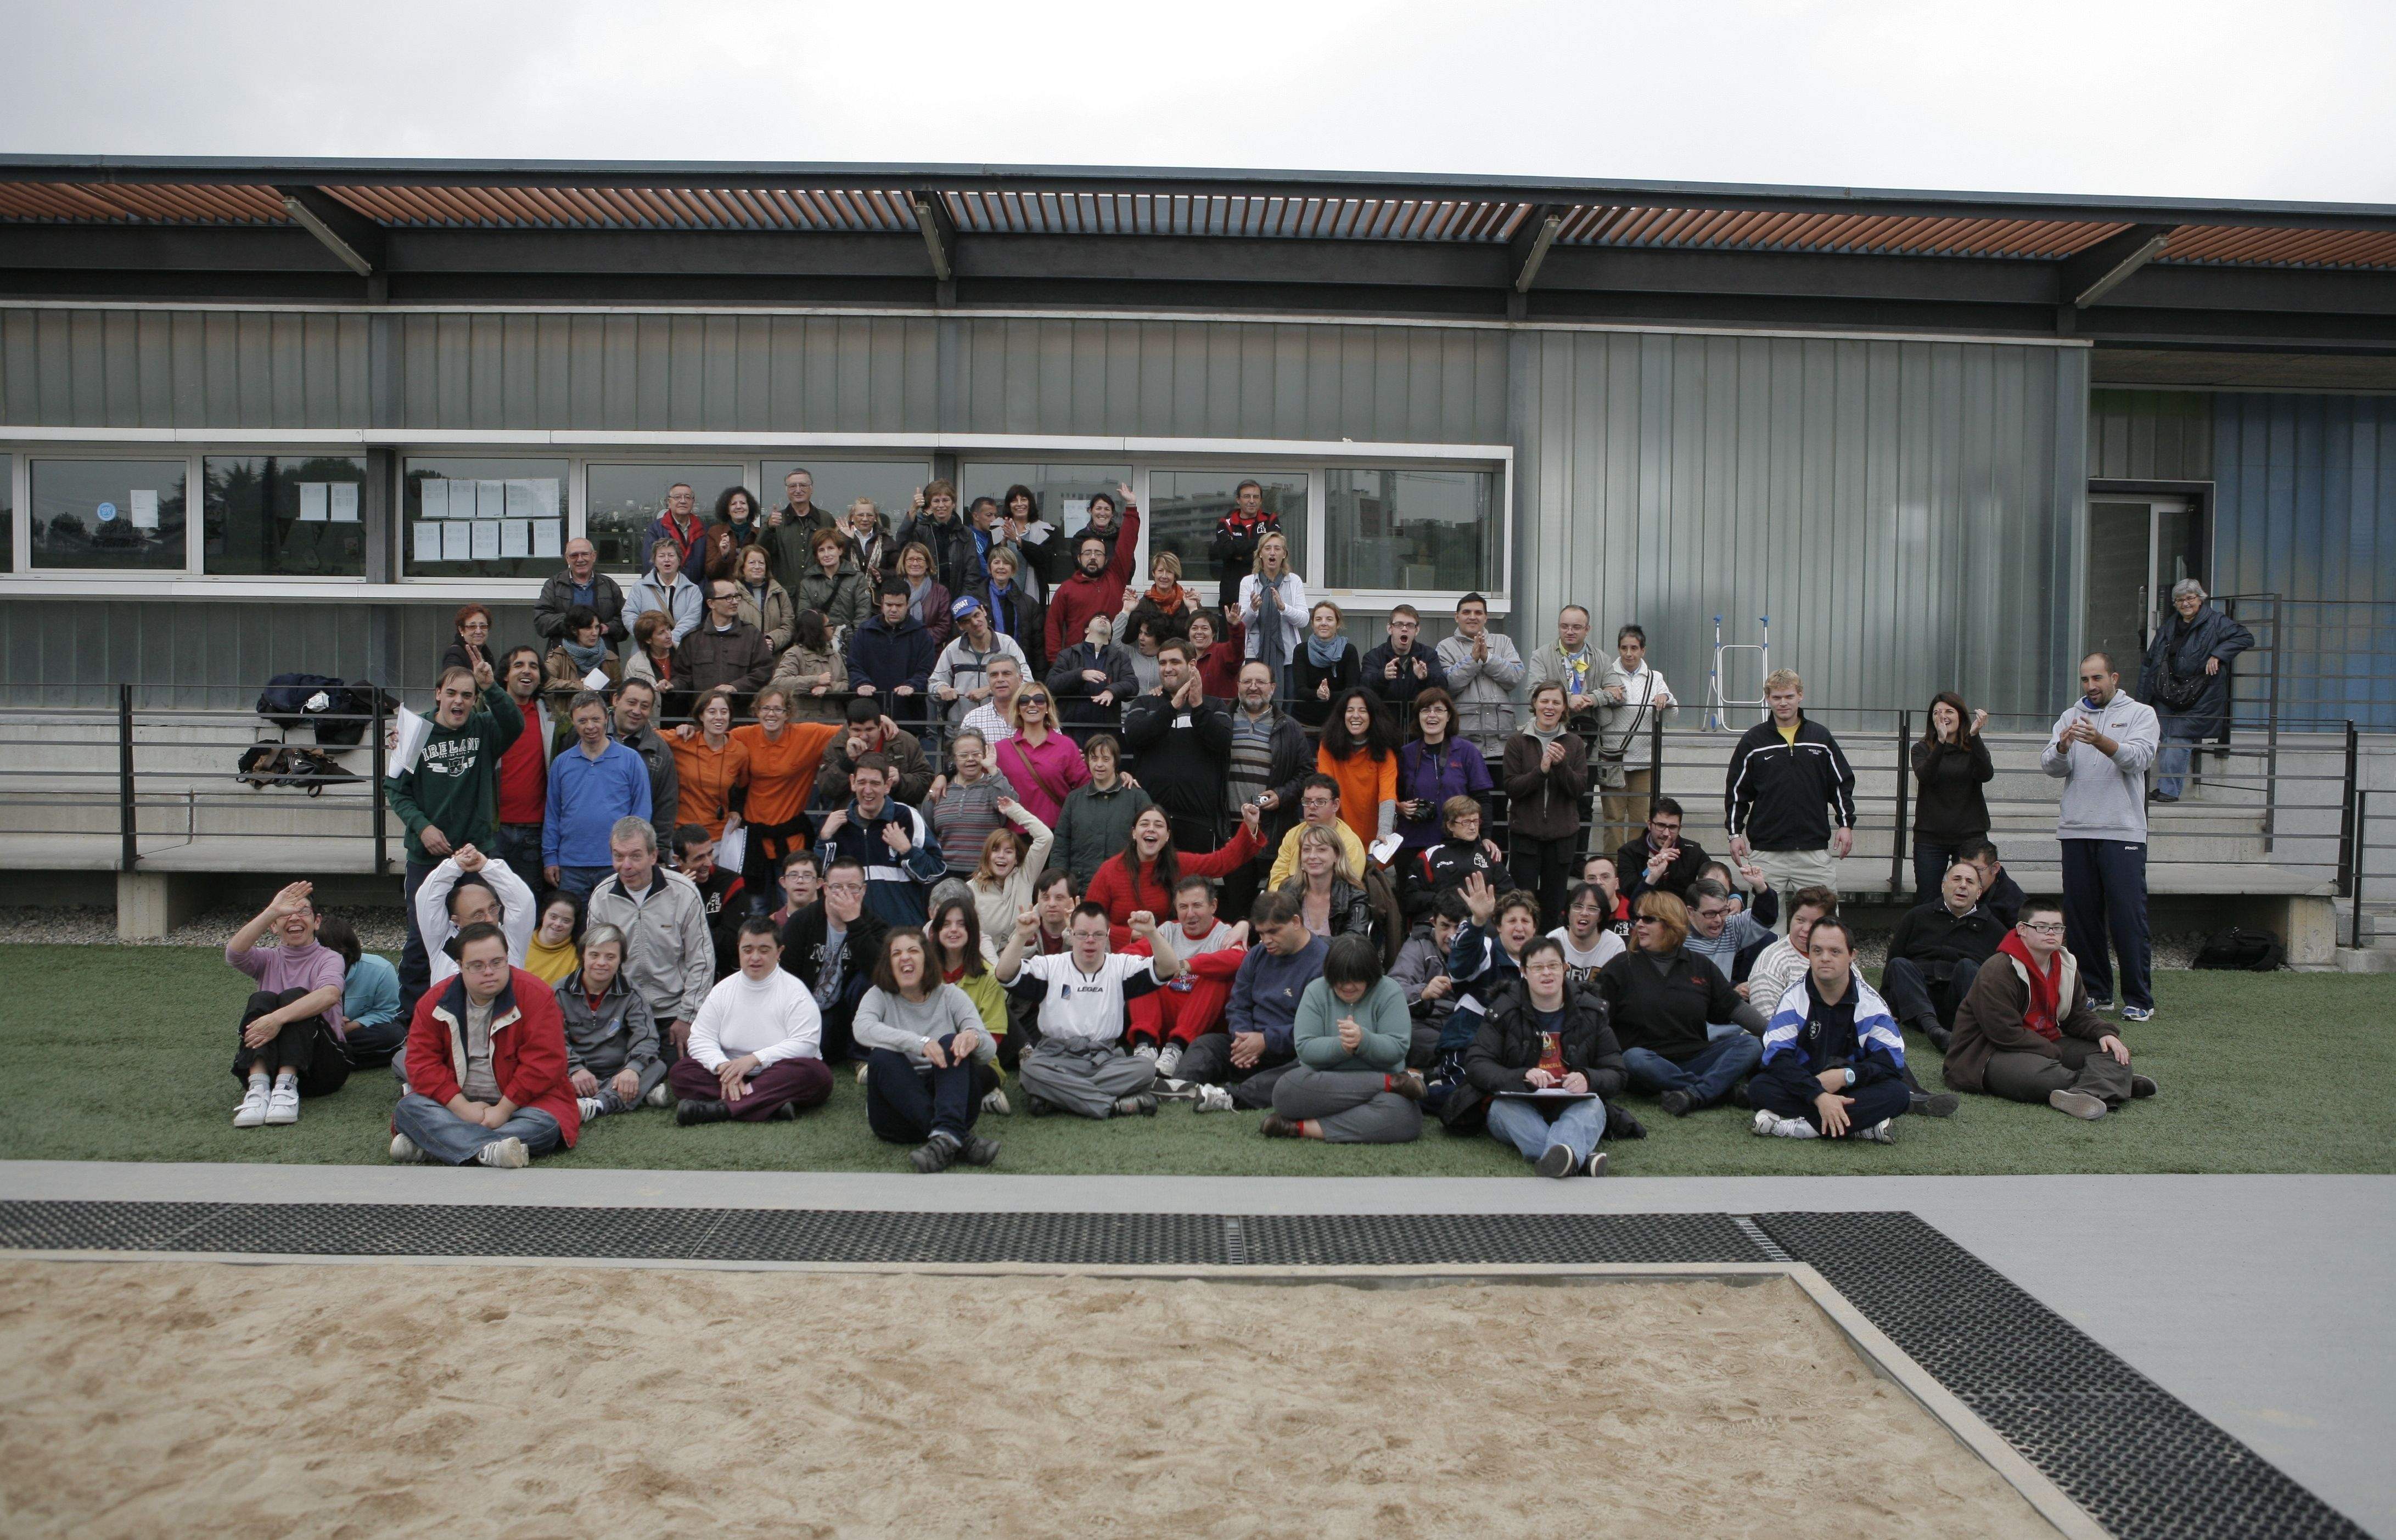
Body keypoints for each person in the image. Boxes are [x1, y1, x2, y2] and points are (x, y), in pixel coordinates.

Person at [388, 660, 524, 1016]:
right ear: (438, 695)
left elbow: (516, 723)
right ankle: (412, 1020)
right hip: (427, 856)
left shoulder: (483, 729)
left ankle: (488, 1008)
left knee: (484, 932)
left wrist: (492, 687)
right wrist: (423, 826)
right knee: (421, 940)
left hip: (476, 854)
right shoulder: (414, 732)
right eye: (451, 693)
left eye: (467, 695)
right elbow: (396, 790)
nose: (458, 701)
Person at [390, 922, 580, 1168]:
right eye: (477, 966)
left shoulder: (536, 994)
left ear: (507, 958)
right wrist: (464, 1110)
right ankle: (490, 1150)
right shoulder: (434, 1002)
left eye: (497, 962)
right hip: (457, 1105)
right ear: (460, 966)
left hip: (524, 1106)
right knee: (409, 1108)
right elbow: (421, 1063)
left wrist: (502, 1110)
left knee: (546, 1125)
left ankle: (436, 1144)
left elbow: (545, 1063)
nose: (489, 971)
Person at [1944, 900, 2156, 1119]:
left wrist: (2104, 1032)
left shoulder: (2066, 964)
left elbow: (2077, 1015)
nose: (2051, 933)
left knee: (2113, 1055)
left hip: (2047, 1042)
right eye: (2042, 927)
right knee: (2046, 1076)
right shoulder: (1998, 969)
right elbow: (2003, 1032)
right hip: (1988, 1052)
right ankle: (2114, 1084)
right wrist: (2052, 1053)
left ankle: (2088, 1091)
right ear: (2022, 930)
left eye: (2057, 928)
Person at [1444, 936, 1625, 1177]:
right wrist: (1522, 1077)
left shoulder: (1591, 1011)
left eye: (1553, 966)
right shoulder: (1503, 1010)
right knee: (1502, 1109)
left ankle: (1563, 1158)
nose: (1546, 973)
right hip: (1520, 1104)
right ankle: (1578, 1158)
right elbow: (1477, 1064)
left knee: (1593, 1108)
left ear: (1565, 968)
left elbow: (1617, 1071)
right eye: (1537, 968)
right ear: (1524, 972)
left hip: (1573, 1104)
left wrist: (1588, 1078)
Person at [2043, 652, 2161, 1020]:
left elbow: (2138, 759)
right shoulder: (2069, 716)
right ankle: (2096, 991)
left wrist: (2099, 741)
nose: (2090, 687)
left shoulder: (2141, 714)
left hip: (2121, 831)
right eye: (2084, 680)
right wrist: (2063, 746)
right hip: (2076, 829)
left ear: (2114, 677)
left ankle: (2139, 1000)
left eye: (2096, 679)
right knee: (2081, 917)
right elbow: (2049, 765)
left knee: (2127, 917)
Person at [996, 901, 1180, 1120]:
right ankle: (1113, 1106)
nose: (1090, 941)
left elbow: (1170, 968)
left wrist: (1151, 933)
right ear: (1071, 934)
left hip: (1104, 1060)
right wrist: (1020, 935)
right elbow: (1004, 974)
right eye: (1082, 934)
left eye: (1098, 935)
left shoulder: (1120, 966)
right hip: (1056, 1057)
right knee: (1030, 1071)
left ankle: (1057, 1097)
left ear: (1108, 935)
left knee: (1145, 1069)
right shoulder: (1050, 966)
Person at [1596, 891, 1765, 1117]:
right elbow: (1596, 1022)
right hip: (1647, 1065)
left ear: (1671, 924)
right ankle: (1721, 1092)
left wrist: (1779, 1035)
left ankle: (1695, 1094)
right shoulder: (1619, 967)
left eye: (1648, 919)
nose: (1639, 925)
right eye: (1638, 918)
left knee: (1750, 1045)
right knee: (1633, 1058)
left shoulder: (1699, 965)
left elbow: (1736, 1008)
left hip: (1696, 1058)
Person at [1748, 919, 1909, 1144]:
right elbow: (1776, 1058)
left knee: (1898, 1094)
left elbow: (1892, 1063)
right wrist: (1818, 1096)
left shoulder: (1872, 1005)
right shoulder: (1793, 1000)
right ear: (1809, 954)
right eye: (1818, 950)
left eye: (1835, 951)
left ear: (1852, 955)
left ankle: (1799, 1127)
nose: (1825, 958)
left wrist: (1846, 1076)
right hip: (1805, 1085)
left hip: (1851, 1087)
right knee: (1760, 1088)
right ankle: (1859, 1128)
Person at [855, 927, 1002, 1171]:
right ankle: (959, 1139)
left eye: (913, 951)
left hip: (950, 1101)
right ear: (888, 964)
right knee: (882, 1056)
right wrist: (919, 1043)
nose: (905, 958)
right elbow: (862, 1030)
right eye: (896, 953)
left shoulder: (951, 995)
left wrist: (972, 1038)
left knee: (951, 1042)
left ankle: (944, 1137)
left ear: (927, 959)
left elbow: (988, 1051)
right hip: (895, 1118)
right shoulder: (878, 995)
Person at [1725, 669, 1857, 931]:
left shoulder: (1821, 738)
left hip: (1813, 852)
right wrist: (1734, 833)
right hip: (1767, 853)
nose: (1783, 703)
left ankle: (1820, 973)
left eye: (1789, 696)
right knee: (1764, 927)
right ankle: (1765, 973)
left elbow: (1841, 783)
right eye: (1776, 697)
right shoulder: (1753, 741)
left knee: (1823, 924)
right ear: (1767, 699)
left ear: (1800, 696)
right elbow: (1737, 791)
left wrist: (1845, 824)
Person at [1262, 935, 1426, 1143]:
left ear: (1371, 976)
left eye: (1357, 979)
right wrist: (1342, 1046)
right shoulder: (1316, 991)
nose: (1348, 986)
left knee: (1404, 1116)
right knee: (1286, 1090)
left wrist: (1363, 1041)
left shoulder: (1390, 991)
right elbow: (1304, 1047)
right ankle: (1390, 1084)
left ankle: (1299, 1127)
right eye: (1340, 979)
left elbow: (1398, 1047)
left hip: (1376, 1085)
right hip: (1326, 1083)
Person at [670, 918, 833, 1126]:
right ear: (739, 949)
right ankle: (769, 1106)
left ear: (779, 951)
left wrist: (755, 1059)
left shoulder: (795, 992)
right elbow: (701, 1038)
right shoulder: (722, 990)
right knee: (681, 1073)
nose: (755, 957)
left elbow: (806, 1045)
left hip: (778, 1073)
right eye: (748, 950)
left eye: (764, 950)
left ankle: (720, 1109)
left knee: (817, 1075)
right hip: (727, 1074)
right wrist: (722, 1067)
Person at [1174, 891, 1319, 1111]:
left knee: (1309, 1066)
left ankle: (1233, 1097)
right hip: (1248, 1046)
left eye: (1273, 932)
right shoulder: (1257, 955)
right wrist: (1242, 1038)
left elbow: (1316, 1028)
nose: (1266, 941)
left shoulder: (1323, 962)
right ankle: (1178, 1087)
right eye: (1261, 934)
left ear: (1296, 922)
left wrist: (1265, 1041)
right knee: (1207, 1044)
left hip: (1292, 1052)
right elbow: (1238, 1004)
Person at [582, 817, 714, 1059]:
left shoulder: (684, 892)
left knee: (676, 1075)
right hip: (622, 1010)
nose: (626, 866)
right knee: (614, 1075)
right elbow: (594, 965)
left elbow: (702, 960)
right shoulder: (601, 897)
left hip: (674, 1012)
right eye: (618, 856)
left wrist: (687, 1016)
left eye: (635, 856)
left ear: (653, 856)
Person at [223, 881, 350, 1128]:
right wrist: (272, 910)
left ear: (317, 922)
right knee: (261, 999)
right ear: (273, 925)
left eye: (303, 912)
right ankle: (258, 1088)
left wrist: (277, 1019)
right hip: (269, 1064)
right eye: (285, 914)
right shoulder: (267, 959)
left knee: (294, 997)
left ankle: (286, 1087)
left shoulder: (329, 958)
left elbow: (329, 995)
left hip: (321, 1069)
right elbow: (235, 953)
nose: (294, 918)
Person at [1123, 874, 1251, 1079]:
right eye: (1183, 907)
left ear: (1213, 906)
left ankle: (1176, 1049)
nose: (1190, 914)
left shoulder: (1226, 934)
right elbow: (1130, 955)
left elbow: (1239, 960)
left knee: (1217, 975)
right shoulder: (1167, 931)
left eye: (1197, 905)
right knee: (1142, 970)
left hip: (1202, 1019)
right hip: (1164, 1015)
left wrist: (1187, 965)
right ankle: (1145, 1046)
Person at [2140, 578, 2254, 804]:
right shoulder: (2170, 626)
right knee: (2162, 734)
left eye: (2190, 598)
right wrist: (2143, 697)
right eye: (2180, 600)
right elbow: (2151, 660)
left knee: (2178, 737)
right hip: (2169, 690)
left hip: (2199, 693)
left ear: (2200, 599)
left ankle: (2170, 790)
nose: (2185, 604)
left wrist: (2218, 654)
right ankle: (2165, 786)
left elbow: (2244, 637)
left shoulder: (2216, 622)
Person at [1121, 637, 1235, 853]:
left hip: (1198, 821)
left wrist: (1198, 706)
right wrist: (1172, 707)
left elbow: (1222, 741)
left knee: (1193, 886)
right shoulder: (1144, 703)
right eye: (1162, 663)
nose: (1167, 668)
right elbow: (1134, 737)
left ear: (1192, 665)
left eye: (1175, 662)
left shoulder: (1214, 705)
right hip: (1151, 821)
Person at [728, 683, 842, 899]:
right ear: (757, 711)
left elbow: (846, 730)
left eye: (778, 709)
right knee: (756, 907)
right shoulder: (742, 736)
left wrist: (880, 719)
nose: (771, 714)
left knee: (792, 903)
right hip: (754, 839)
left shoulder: (807, 734)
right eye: (765, 708)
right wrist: (683, 730)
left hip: (792, 839)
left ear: (788, 713)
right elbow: (712, 740)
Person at [1882, 859, 2006, 1049]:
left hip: (1960, 1005)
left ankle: (1962, 1029)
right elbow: (1893, 960)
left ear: (1979, 893)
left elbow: (2000, 978)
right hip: (1917, 998)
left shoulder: (1994, 929)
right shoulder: (1917, 916)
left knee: (1969, 967)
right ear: (1943, 885)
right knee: (1900, 964)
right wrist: (1886, 1003)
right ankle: (1934, 1030)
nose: (1962, 886)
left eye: (1970, 882)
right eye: (1956, 879)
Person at [778, 855, 889, 1066]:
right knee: (811, 1052)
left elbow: (880, 972)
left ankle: (859, 1054)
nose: (845, 894)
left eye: (853, 888)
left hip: (842, 1009)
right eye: (837, 887)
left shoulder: (873, 924)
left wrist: (854, 922)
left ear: (864, 890)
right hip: (802, 1007)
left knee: (869, 980)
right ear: (825, 889)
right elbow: (785, 978)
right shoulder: (802, 922)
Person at [813, 753, 946, 927]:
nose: (868, 790)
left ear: (887, 785)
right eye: (862, 782)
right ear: (852, 782)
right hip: (854, 933)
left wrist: (907, 851)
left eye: (875, 783)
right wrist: (824, 840)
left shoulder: (906, 817)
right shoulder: (837, 825)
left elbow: (935, 872)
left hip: (901, 934)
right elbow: (820, 881)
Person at [543, 691, 653, 897]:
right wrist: (550, 857)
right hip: (571, 865)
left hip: (617, 863)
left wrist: (634, 856)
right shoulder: (561, 764)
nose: (590, 726)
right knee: (575, 927)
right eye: (582, 720)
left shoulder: (631, 760)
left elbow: (641, 812)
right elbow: (552, 813)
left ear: (607, 718)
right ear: (573, 722)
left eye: (596, 719)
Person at [1087, 802, 1264, 926]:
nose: (1151, 829)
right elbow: (1089, 922)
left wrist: (1249, 825)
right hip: (1119, 958)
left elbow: (1221, 862)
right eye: (1144, 824)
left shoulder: (1178, 863)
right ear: (1134, 833)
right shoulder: (1109, 871)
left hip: (1165, 959)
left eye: (1159, 825)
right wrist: (1129, 936)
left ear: (1167, 836)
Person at [558, 923, 669, 1120]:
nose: (602, 963)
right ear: (582, 955)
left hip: (618, 1070)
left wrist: (632, 1069)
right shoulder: (560, 992)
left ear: (621, 960)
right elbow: (553, 1041)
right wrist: (575, 1069)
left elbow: (647, 1038)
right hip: (574, 1073)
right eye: (594, 955)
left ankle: (597, 1104)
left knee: (657, 1066)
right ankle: (632, 1094)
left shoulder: (631, 993)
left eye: (610, 957)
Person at [1503, 682, 1590, 924]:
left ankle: (1551, 956)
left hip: (1562, 837)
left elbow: (1579, 790)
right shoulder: (1517, 742)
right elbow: (1511, 788)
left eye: (1556, 702)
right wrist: (1539, 772)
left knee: (1554, 905)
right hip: (1525, 835)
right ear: (1534, 704)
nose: (1549, 707)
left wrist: (1561, 766)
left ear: (1564, 708)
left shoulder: (1574, 744)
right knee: (1522, 904)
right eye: (1544, 701)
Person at [1595, 623, 1676, 853]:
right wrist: (1607, 697)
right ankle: (1613, 866)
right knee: (1613, 818)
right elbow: (1599, 715)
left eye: (1634, 648)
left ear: (1643, 650)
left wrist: (1665, 698)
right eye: (1624, 648)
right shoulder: (1607, 674)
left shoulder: (1655, 678)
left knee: (1641, 818)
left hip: (1643, 759)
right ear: (1618, 649)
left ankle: (1635, 863)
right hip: (1612, 758)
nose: (1628, 654)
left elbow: (1674, 712)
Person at [414, 845, 536, 996]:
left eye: (493, 909)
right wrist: (454, 865)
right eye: (478, 915)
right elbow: (427, 899)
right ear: (456, 921)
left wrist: (486, 866)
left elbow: (523, 902)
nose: (490, 919)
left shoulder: (511, 939)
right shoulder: (442, 941)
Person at [1225, 657, 1314, 864]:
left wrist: (1281, 795)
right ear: (1238, 686)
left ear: (1272, 688)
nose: (1253, 687)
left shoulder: (1289, 727)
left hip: (1273, 829)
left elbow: (1307, 775)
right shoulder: (1222, 721)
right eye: (1247, 682)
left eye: (1260, 682)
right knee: (1237, 896)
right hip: (1232, 831)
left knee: (1275, 896)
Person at [1911, 691, 1995, 901]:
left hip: (1970, 835)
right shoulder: (1921, 749)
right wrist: (1940, 742)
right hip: (1930, 837)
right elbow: (1926, 776)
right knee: (1927, 897)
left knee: (1972, 895)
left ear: (1961, 716)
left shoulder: (1972, 747)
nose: (1943, 716)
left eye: (1949, 711)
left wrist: (1975, 737)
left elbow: (1986, 774)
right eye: (1937, 712)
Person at [1393, 686, 1493, 855]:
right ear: (1418, 717)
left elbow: (1483, 799)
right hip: (1413, 843)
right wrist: (1399, 807)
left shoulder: (1467, 752)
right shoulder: (1406, 754)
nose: (1432, 715)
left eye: (1439, 710)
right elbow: (1393, 795)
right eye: (1426, 710)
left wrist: (1486, 836)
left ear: (1449, 717)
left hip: (1457, 844)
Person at [1051, 734, 1155, 887]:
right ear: (1087, 761)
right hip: (1083, 886)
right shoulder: (1074, 799)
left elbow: (1152, 839)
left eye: (1106, 759)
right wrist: (1059, 882)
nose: (1099, 765)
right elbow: (1061, 845)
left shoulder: (1137, 797)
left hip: (1126, 885)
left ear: (1115, 762)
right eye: (1094, 759)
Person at [491, 644, 554, 896]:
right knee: (489, 908)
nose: (527, 671)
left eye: (534, 666)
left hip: (534, 832)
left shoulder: (551, 718)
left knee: (527, 909)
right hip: (494, 830)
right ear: (506, 674)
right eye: (519, 665)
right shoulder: (486, 713)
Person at [1435, 593, 1525, 758]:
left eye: (1478, 613)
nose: (1472, 617)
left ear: (1486, 617)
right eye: (1466, 612)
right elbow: (1448, 685)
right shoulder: (1445, 647)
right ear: (1457, 617)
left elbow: (1515, 676)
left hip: (1502, 743)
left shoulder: (1503, 642)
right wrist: (1473, 660)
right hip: (1465, 743)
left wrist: (1488, 659)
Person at [990, 683, 1088, 827]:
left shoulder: (1066, 746)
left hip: (1055, 833)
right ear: (1018, 709)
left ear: (1048, 707)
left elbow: (1086, 787)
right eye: (1024, 701)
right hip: (1015, 837)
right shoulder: (1000, 749)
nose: (1031, 704)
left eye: (1039, 700)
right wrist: (944, 776)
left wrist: (1121, 777)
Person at [1391, 889, 1469, 1067]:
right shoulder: (1418, 946)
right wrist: (1423, 993)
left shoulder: (1480, 947)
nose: (1452, 935)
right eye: (1445, 926)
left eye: (1459, 927)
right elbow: (1393, 989)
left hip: (1464, 1024)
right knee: (1403, 1035)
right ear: (1433, 922)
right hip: (1425, 1023)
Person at [1045, 524, 1140, 668]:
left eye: (1098, 553)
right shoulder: (1066, 589)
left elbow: (1127, 544)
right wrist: (1056, 662)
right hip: (1077, 663)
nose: (1093, 557)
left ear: (1106, 559)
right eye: (1088, 553)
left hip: (1112, 661)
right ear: (1079, 558)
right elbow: (1053, 626)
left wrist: (1131, 506)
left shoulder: (1116, 579)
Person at [664, 689, 751, 845]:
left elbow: (742, 787)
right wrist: (681, 728)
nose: (719, 717)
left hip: (719, 837)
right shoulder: (683, 740)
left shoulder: (740, 752)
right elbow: (648, 734)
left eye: (724, 712)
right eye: (712, 712)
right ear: (701, 716)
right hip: (682, 835)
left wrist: (736, 810)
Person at [813, 698, 935, 810]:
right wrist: (847, 761)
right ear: (848, 729)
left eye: (869, 730)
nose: (864, 736)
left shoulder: (906, 742)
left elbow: (926, 786)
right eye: (856, 730)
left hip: (896, 819)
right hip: (851, 821)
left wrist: (901, 781)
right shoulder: (837, 745)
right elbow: (827, 790)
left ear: (880, 726)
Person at [1316, 686, 1398, 852]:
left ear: (1373, 716)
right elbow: (1325, 791)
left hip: (1375, 841)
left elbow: (1388, 796)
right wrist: (1327, 833)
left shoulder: (1385, 751)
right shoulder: (1328, 747)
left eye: (1363, 711)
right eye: (1350, 710)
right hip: (1338, 838)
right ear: (1342, 715)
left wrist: (1384, 833)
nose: (1355, 716)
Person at [923, 728, 1017, 873]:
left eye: (976, 754)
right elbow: (927, 830)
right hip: (946, 875)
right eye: (963, 755)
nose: (971, 759)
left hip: (986, 875)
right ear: (954, 759)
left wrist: (992, 769)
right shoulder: (939, 789)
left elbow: (1012, 807)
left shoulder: (994, 785)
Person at [318, 914, 404, 1070]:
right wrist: (330, 1023)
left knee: (395, 1035)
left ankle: (329, 1060)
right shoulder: (304, 969)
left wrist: (350, 1026)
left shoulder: (381, 969)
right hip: (317, 1030)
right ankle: (340, 1060)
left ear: (345, 951)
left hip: (355, 1033)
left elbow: (386, 1012)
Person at [848, 580, 937, 727]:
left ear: (908, 604)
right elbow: (854, 666)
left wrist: (913, 685)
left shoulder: (921, 634)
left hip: (908, 716)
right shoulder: (865, 631)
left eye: (899, 605)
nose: (894, 610)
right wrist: (861, 682)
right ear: (882, 604)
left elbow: (926, 670)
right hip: (870, 717)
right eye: (889, 605)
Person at [932, 596, 1028, 732]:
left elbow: (1027, 683)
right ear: (960, 626)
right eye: (967, 621)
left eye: (976, 615)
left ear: (984, 611)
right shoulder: (952, 649)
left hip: (1003, 727)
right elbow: (934, 683)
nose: (975, 623)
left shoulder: (1007, 644)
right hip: (960, 729)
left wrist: (989, 690)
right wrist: (941, 689)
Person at [1740, 885, 1839, 1016]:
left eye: (1815, 923)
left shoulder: (1839, 956)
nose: (1805, 929)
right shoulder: (1772, 961)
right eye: (1800, 920)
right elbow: (1768, 1021)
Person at [1402, 794, 1503, 921]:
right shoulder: (1429, 856)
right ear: (1450, 825)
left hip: (1483, 921)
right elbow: (1412, 898)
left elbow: (1508, 894)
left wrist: (1484, 902)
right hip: (1442, 920)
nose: (1472, 827)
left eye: (1476, 821)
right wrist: (1447, 900)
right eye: (1466, 822)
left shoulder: (1489, 853)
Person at [1265, 773, 1369, 889]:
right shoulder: (1293, 834)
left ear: (1335, 805)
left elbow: (1346, 889)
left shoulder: (1350, 843)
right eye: (1307, 801)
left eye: (1320, 801)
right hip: (1289, 902)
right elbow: (1277, 876)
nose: (1312, 807)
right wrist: (1285, 903)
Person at [1048, 612, 1138, 744]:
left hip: (1107, 733)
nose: (1104, 619)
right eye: (1098, 618)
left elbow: (1132, 684)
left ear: (1110, 635)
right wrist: (1081, 675)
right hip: (1071, 731)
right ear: (1087, 630)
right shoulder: (1068, 655)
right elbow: (1051, 684)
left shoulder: (1121, 658)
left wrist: (1112, 691)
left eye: (1107, 619)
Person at [1236, 531, 1307, 695]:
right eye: (1268, 548)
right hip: (1255, 653)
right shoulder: (1248, 582)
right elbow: (1242, 624)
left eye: (1277, 548)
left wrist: (1283, 608)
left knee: (1286, 702)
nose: (1273, 553)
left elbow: (1303, 620)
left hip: (1287, 655)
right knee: (1255, 699)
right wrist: (1253, 609)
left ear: (1284, 554)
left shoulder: (1293, 581)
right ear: (1260, 554)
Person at [1278, 823, 1373, 942]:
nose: (1312, 856)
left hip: (1337, 960)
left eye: (1321, 850)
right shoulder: (1287, 889)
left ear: (1337, 856)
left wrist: (1305, 943)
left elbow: (1355, 940)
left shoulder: (1355, 895)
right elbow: (1275, 931)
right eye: (1307, 850)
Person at [674, 824, 747, 976]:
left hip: (718, 970)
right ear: (679, 860)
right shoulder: (668, 885)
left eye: (710, 854)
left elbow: (732, 940)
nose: (708, 863)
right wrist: (682, 894)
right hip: (674, 971)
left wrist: (686, 935)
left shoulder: (731, 882)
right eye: (699, 858)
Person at [610, 678, 679, 840]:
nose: (637, 711)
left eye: (644, 706)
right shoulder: (587, 736)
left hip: (634, 846)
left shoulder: (660, 751)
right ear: (616, 700)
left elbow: (666, 805)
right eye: (632, 703)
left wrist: (660, 850)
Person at [896, 480, 986, 599]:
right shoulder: (922, 529)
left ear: (954, 503)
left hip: (957, 598)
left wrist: (963, 602)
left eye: (946, 500)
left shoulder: (965, 533)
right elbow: (902, 544)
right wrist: (913, 510)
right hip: (926, 599)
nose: (941, 505)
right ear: (930, 504)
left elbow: (972, 572)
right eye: (936, 501)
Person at [1613, 796, 1709, 905]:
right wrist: (1652, 872)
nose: (1666, 834)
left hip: (1682, 917)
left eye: (1673, 827)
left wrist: (1733, 896)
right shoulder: (1629, 851)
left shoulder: (1692, 850)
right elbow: (1628, 892)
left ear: (1680, 828)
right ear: (1650, 825)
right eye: (1661, 826)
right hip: (1643, 915)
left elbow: (1715, 875)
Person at [534, 536, 628, 647]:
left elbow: (625, 619)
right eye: (574, 555)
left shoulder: (609, 585)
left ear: (594, 556)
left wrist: (607, 628)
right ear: (567, 559)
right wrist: (572, 622)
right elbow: (541, 621)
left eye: (585, 554)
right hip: (564, 656)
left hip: (604, 656)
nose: (580, 559)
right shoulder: (554, 585)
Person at [972, 543, 1046, 678]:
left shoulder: (1029, 604)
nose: (1001, 567)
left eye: (1006, 563)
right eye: (996, 562)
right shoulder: (975, 602)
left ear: (1013, 570)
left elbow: (1038, 647)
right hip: (984, 669)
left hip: (1019, 668)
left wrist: (1040, 679)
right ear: (989, 568)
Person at [760, 467, 837, 595]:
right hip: (786, 594)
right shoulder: (777, 520)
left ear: (811, 489)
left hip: (821, 592)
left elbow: (838, 554)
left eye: (803, 485)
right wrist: (768, 528)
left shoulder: (826, 519)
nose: (798, 490)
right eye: (792, 486)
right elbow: (762, 553)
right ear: (787, 490)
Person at [1683, 878, 1775, 985]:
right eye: (1710, 914)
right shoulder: (1676, 935)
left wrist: (1761, 888)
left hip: (1722, 998)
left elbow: (1765, 919)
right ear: (1691, 912)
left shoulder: (1731, 928)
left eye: (1723, 911)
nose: (1718, 920)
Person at [1527, 605, 1604, 732]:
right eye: (1564, 626)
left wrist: (1593, 699)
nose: (1569, 632)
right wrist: (1568, 699)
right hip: (1551, 732)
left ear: (1587, 629)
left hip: (1591, 734)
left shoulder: (1601, 658)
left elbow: (1619, 692)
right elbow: (1533, 691)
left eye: (1576, 627)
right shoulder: (1541, 655)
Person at [1208, 479, 1282, 610]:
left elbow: (1274, 550)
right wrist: (1258, 548)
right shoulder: (1226, 523)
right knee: (1231, 629)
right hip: (1232, 592)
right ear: (1238, 500)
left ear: (1261, 500)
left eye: (1256, 497)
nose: (1252, 501)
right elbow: (1226, 550)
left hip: (1264, 590)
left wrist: (1239, 555)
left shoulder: (1271, 520)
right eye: (1247, 497)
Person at [769, 608, 850, 723]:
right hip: (804, 723)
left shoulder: (835, 656)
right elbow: (778, 682)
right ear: (817, 629)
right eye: (828, 624)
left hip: (834, 721)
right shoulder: (795, 654)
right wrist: (816, 680)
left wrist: (828, 688)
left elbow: (846, 685)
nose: (832, 627)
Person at [1289, 601, 1361, 728]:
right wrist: (1317, 694)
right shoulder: (1301, 650)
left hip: (1338, 722)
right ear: (1312, 624)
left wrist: (1329, 695)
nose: (1324, 623)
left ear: (1338, 624)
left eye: (1329, 619)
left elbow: (1353, 690)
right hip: (1304, 721)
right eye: (1318, 619)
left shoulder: (1349, 651)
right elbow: (1300, 690)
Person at [543, 609, 621, 724]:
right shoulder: (559, 656)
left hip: (603, 725)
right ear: (574, 630)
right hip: (568, 725)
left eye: (597, 627)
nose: (594, 633)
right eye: (588, 628)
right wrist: (580, 686)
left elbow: (618, 693)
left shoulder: (610, 658)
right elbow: (546, 683)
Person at [623, 537, 703, 649]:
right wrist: (648, 637)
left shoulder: (692, 590)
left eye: (671, 555)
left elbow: (692, 619)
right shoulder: (640, 587)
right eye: (661, 556)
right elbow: (629, 614)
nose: (667, 560)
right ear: (654, 561)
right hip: (647, 648)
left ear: (679, 560)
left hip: (681, 650)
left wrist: (668, 639)